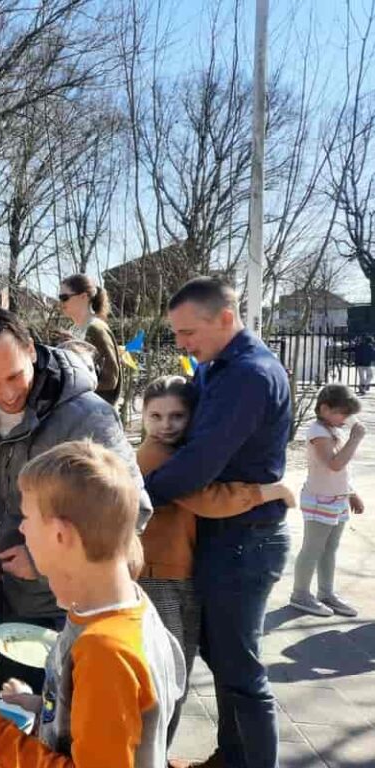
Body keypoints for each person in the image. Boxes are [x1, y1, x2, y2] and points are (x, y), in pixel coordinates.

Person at [0, 441, 185, 768]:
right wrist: (44, 707)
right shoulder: (124, 609)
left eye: (26, 518)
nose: (22, 529)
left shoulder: (106, 653)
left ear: (59, 535)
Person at [142, 277, 291, 768]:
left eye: (188, 332)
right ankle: (231, 757)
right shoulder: (217, 368)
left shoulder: (248, 375)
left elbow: (197, 463)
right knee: (223, 660)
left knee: (241, 672)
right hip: (223, 535)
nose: (181, 343)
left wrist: (131, 499)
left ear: (225, 318)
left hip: (244, 541)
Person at [0, 308, 151, 634]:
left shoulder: (89, 417)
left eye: (15, 376)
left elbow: (132, 512)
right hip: (11, 595)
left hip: (70, 610)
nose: (6, 393)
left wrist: (44, 562)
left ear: (31, 349)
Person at [290, 384, 365, 617]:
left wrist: (350, 493)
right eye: (342, 412)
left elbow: (340, 472)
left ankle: (326, 592)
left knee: (329, 549)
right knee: (313, 548)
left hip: (337, 499)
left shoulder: (333, 430)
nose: (346, 419)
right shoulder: (317, 432)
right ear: (324, 408)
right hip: (319, 500)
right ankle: (300, 593)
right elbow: (333, 464)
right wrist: (355, 439)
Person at [59, 274, 123, 405]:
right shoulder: (73, 330)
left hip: (98, 413)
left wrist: (73, 388)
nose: (61, 303)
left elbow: (111, 380)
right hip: (80, 409)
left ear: (84, 297)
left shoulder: (96, 329)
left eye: (64, 297)